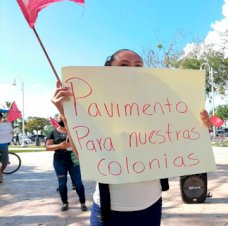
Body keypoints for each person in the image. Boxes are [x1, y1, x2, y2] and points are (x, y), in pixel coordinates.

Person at [51, 49, 211, 226]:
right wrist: (67, 114)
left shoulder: (161, 105)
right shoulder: (93, 108)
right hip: (108, 212)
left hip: (151, 207)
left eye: (138, 65)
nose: (132, 69)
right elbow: (83, 155)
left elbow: (184, 141)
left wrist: (200, 125)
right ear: (108, 71)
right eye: (124, 65)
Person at [45, 114, 87, 211]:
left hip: (74, 161)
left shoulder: (75, 131)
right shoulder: (53, 132)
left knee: (78, 183)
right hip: (59, 161)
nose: (61, 119)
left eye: (63, 117)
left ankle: (83, 202)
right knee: (62, 184)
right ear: (57, 120)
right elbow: (47, 147)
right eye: (60, 118)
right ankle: (64, 203)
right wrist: (59, 146)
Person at [0, 112, 10, 183]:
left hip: (4, 145)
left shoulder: (4, 125)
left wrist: (11, 133)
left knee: (5, 162)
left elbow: (9, 133)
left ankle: (0, 172)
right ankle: (0, 175)